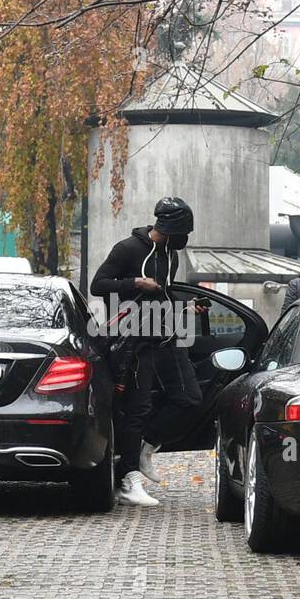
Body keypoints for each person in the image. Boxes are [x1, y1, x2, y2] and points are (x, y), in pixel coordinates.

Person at [91, 197, 201, 507]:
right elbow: (98, 285)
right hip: (133, 342)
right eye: (183, 234)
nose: (185, 241)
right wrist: (135, 283)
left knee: (189, 397)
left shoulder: (171, 255)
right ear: (168, 229)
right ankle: (129, 480)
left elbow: (165, 292)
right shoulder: (127, 249)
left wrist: (185, 307)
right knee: (137, 409)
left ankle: (145, 448)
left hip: (166, 336)